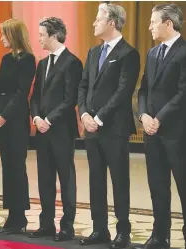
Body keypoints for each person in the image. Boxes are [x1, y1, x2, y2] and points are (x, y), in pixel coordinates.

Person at [78, 3, 140, 248]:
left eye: (98, 19)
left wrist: (99, 118)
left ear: (112, 22)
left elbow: (123, 91)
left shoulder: (128, 53)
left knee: (119, 180)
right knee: (95, 180)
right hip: (90, 128)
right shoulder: (93, 52)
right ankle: (99, 229)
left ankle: (123, 232)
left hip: (113, 128)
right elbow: (83, 86)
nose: (94, 23)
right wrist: (83, 114)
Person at [135, 4, 186, 249]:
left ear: (168, 23)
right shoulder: (153, 53)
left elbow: (183, 93)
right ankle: (160, 236)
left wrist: (159, 118)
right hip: (152, 132)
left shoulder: (185, 52)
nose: (150, 27)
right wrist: (144, 115)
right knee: (157, 186)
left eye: (153, 22)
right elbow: (143, 89)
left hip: (177, 133)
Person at [29, 17, 83, 242]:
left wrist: (48, 120)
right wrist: (36, 118)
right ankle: (46, 224)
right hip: (42, 131)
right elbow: (34, 98)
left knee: (66, 178)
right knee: (44, 178)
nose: (39, 38)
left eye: (42, 34)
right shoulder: (42, 64)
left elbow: (70, 99)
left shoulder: (73, 63)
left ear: (53, 35)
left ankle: (67, 227)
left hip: (61, 130)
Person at [0, 18, 36, 235]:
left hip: (15, 120)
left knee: (17, 168)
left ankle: (20, 217)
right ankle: (11, 215)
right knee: (7, 169)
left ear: (13, 35)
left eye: (4, 35)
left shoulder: (27, 59)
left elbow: (21, 93)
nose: (1, 39)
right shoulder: (6, 59)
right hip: (1, 119)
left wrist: (4, 116)